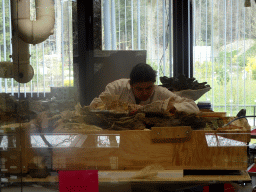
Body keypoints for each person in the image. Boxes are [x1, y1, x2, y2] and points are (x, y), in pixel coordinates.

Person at [90, 63, 199, 113]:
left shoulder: (160, 92)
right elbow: (94, 106)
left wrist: (173, 107)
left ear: (154, 84)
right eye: (139, 89)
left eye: (148, 88)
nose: (145, 92)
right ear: (130, 84)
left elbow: (193, 106)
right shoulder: (116, 88)